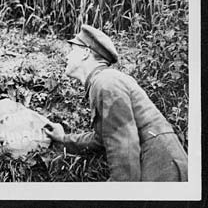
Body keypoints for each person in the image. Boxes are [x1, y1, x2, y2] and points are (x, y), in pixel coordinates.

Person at [43, 24, 188, 181]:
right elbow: (102, 139)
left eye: (72, 50)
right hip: (161, 164)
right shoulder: (105, 81)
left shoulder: (106, 83)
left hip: (162, 168)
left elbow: (124, 147)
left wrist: (118, 191)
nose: (67, 56)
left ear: (85, 52)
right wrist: (63, 138)